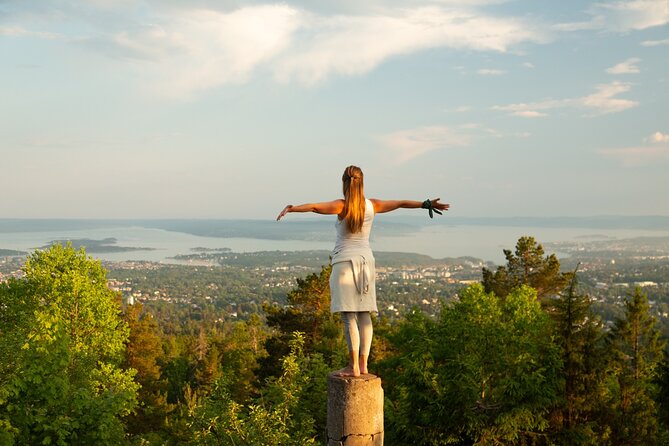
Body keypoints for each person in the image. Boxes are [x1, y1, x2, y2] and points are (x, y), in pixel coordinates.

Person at [276, 165, 449, 377]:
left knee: (349, 315)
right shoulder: (372, 205)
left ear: (344, 183)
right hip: (367, 262)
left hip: (345, 263)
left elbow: (313, 207)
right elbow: (401, 203)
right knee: (364, 314)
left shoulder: (341, 206)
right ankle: (364, 365)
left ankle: (353, 366)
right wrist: (426, 204)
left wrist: (292, 208)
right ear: (362, 182)